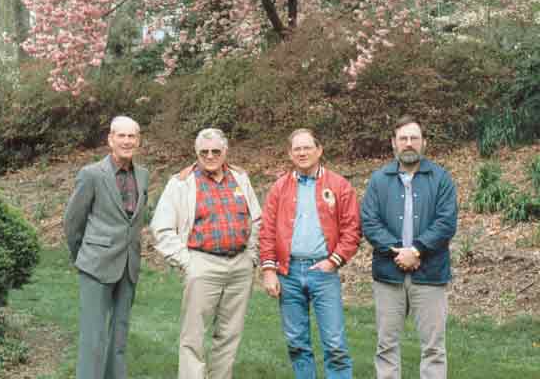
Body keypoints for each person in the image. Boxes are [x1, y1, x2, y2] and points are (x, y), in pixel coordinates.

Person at [150, 128, 261, 379]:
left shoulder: (240, 178)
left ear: (225, 151)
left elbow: (257, 219)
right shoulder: (181, 182)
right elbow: (162, 227)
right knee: (194, 336)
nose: (210, 156)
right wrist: (187, 262)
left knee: (229, 334)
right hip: (202, 264)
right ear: (196, 153)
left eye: (215, 151)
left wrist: (252, 256)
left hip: (240, 265)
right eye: (204, 152)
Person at [360, 115, 458, 379]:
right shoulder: (379, 180)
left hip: (430, 274)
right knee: (386, 346)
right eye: (403, 138)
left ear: (424, 142)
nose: (409, 143)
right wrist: (397, 250)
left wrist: (415, 250)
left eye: (414, 138)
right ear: (394, 143)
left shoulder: (441, 179)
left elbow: (446, 222)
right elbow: (370, 222)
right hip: (388, 275)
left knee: (434, 348)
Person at [260, 128, 361, 379]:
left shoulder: (339, 186)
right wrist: (270, 271)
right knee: (297, 343)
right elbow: (267, 231)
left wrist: (333, 261)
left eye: (307, 147)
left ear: (319, 150)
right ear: (290, 154)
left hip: (323, 272)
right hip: (289, 273)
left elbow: (352, 229)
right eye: (297, 149)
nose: (302, 152)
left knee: (335, 343)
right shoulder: (279, 188)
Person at [64, 116, 149, 379]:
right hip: (95, 265)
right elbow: (72, 221)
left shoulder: (143, 175)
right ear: (110, 139)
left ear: (138, 141)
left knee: (120, 336)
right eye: (121, 136)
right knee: (94, 337)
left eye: (131, 136)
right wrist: (84, 256)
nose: (126, 141)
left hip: (128, 266)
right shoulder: (91, 174)